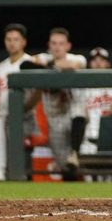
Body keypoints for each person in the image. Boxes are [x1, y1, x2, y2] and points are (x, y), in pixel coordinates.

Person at [34, 28, 88, 177]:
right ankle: (68, 199)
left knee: (79, 110)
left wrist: (49, 66)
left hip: (71, 113)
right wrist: (48, 63)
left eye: (61, 43)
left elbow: (75, 64)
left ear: (68, 46)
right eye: (54, 43)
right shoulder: (43, 57)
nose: (57, 47)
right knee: (65, 166)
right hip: (54, 119)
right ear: (49, 45)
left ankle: (74, 152)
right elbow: (26, 64)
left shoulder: (77, 58)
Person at [0, 23, 34, 182]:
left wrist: (23, 109)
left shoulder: (29, 63)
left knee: (22, 161)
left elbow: (37, 93)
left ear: (23, 42)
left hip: (24, 117)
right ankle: (2, 171)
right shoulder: (1, 67)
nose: (12, 43)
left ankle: (2, 170)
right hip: (3, 116)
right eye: (9, 39)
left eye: (16, 39)